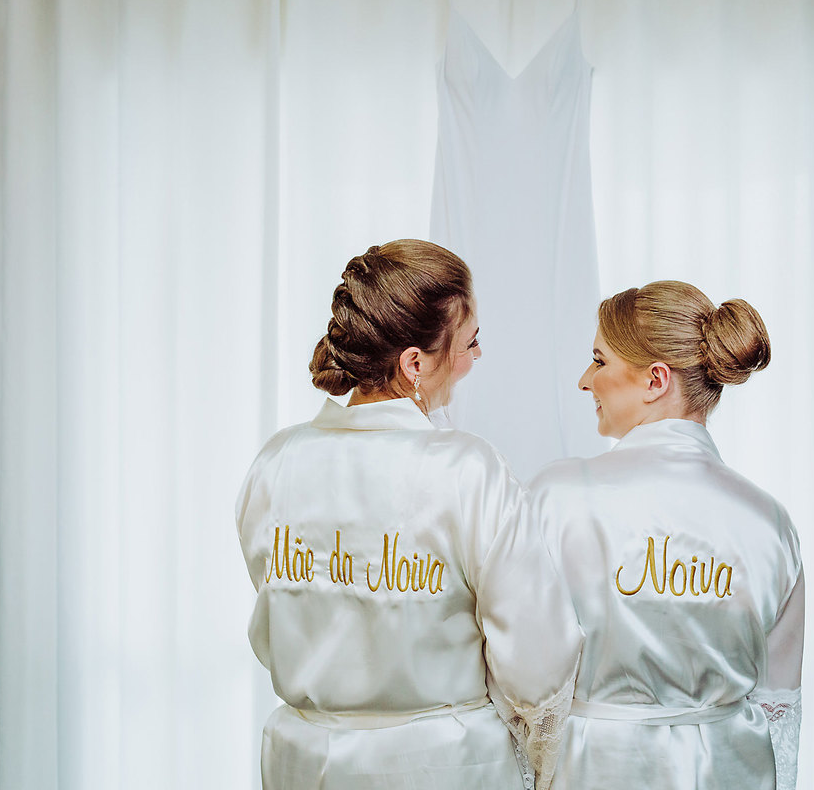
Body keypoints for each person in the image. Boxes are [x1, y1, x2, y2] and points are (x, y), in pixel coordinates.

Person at [236, 240, 583, 790]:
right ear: (414, 363)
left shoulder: (275, 463)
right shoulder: (467, 469)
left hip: (305, 764)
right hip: (442, 766)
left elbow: (270, 627)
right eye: (470, 344)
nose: (473, 360)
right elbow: (537, 655)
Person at [530, 281, 804, 790]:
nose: (585, 380)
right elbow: (778, 702)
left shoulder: (558, 495)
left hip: (593, 770)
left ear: (656, 379)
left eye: (599, 360)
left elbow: (524, 671)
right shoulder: (770, 522)